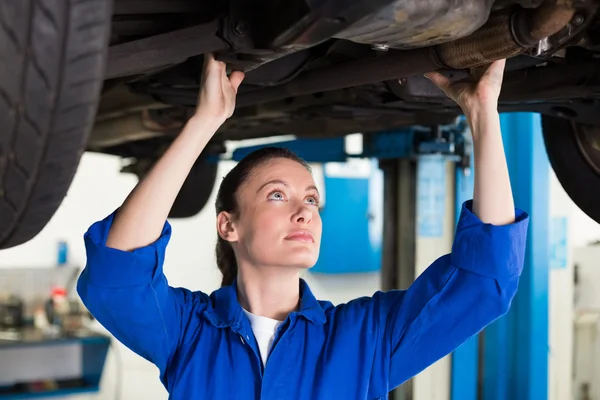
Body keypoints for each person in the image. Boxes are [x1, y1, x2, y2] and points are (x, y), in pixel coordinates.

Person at [77, 53, 529, 399]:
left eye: (311, 199)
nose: (305, 211)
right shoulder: (188, 334)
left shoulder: (363, 339)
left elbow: (483, 280)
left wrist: (482, 112)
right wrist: (205, 121)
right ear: (227, 225)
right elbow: (117, 274)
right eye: (278, 194)